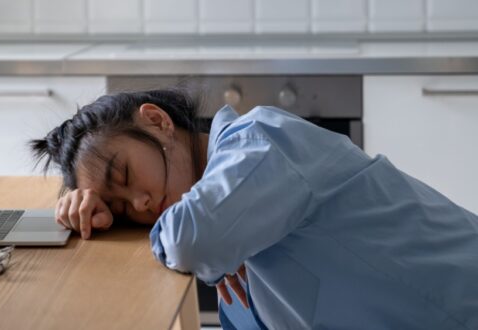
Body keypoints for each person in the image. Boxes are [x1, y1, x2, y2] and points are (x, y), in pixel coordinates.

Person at [30, 89, 478, 329]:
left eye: (125, 177)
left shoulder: (260, 138)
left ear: (157, 121)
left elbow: (191, 240)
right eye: (122, 210)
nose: (141, 205)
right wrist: (90, 213)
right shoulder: (225, 212)